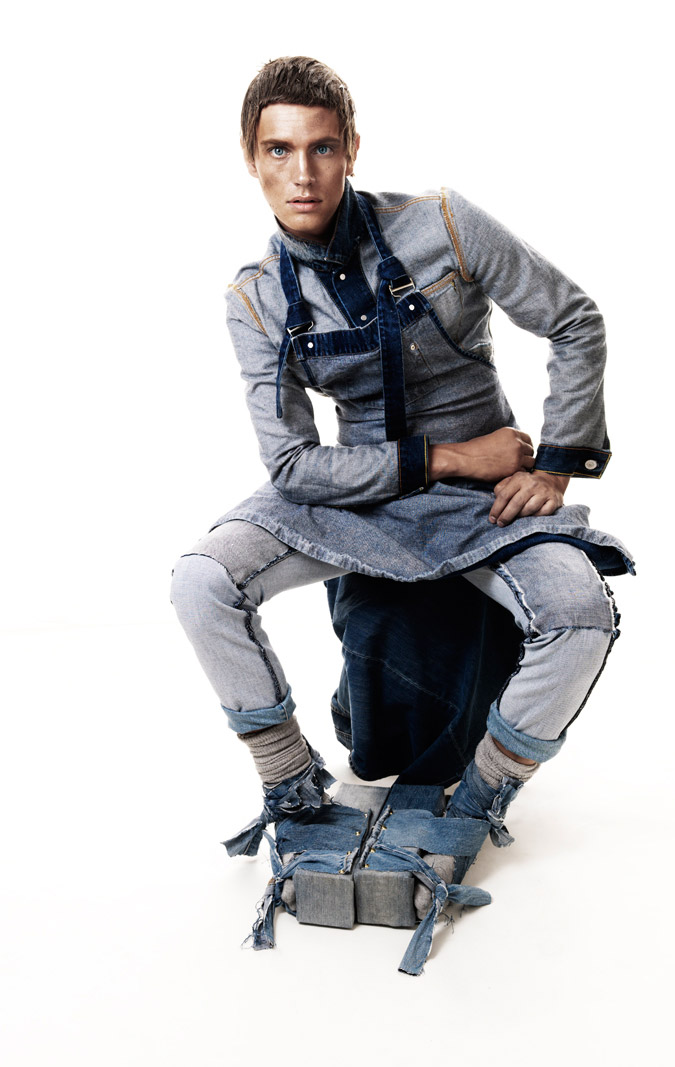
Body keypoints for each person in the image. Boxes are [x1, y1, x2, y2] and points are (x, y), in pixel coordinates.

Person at [170, 55, 634, 957]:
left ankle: (480, 799)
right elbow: (293, 464)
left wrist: (557, 464)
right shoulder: (255, 298)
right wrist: (449, 456)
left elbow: (575, 319)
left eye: (321, 148)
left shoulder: (444, 223)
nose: (302, 173)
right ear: (250, 159)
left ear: (351, 150)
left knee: (581, 612)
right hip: (359, 493)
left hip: (487, 501)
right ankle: (291, 783)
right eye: (279, 151)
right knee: (199, 581)